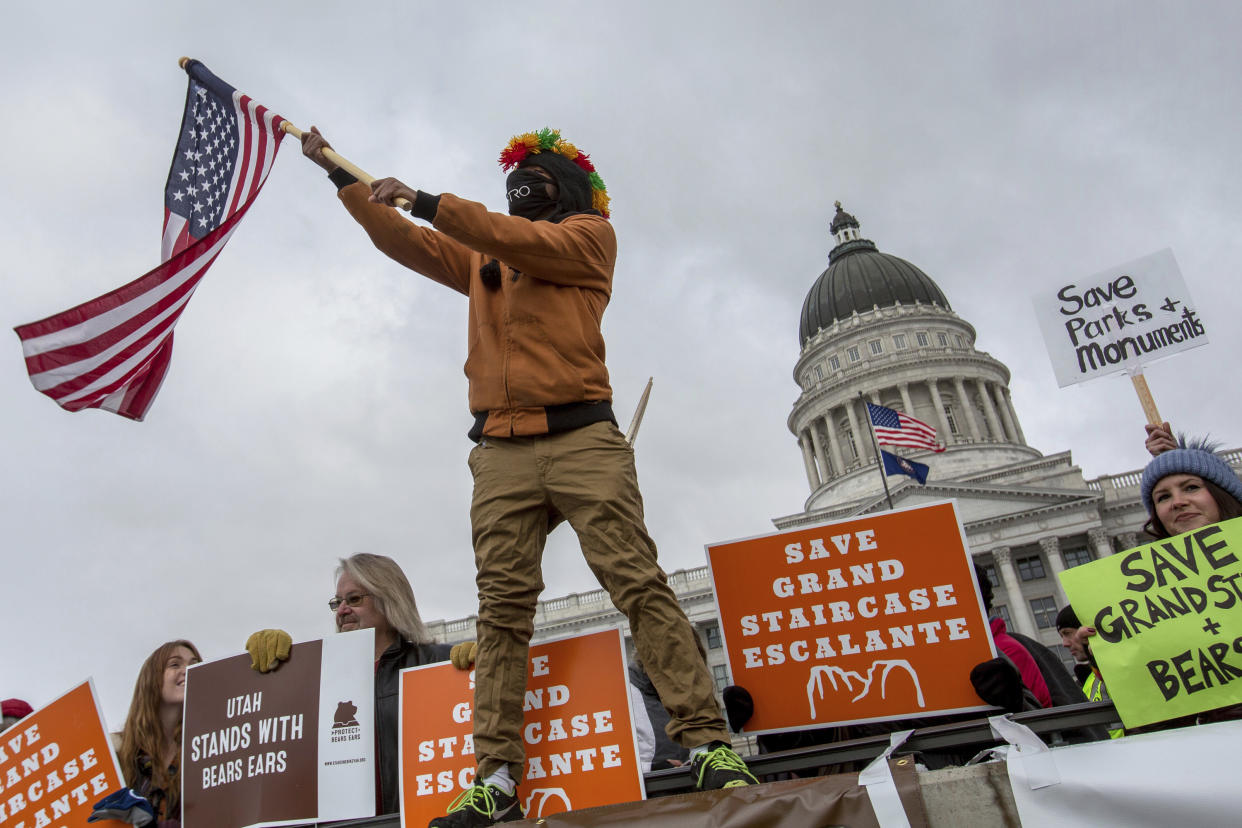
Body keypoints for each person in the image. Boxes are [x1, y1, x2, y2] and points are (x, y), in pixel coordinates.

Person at [300, 126, 755, 827]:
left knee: (636, 583)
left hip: (582, 436)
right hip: (501, 448)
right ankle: (496, 777)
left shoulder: (590, 238)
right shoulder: (487, 255)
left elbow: (521, 241)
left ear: (568, 189)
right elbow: (407, 243)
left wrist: (427, 199)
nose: (523, 188)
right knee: (502, 615)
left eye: (536, 178)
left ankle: (707, 743)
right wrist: (344, 180)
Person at [247, 553, 456, 816]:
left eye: (354, 599)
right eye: (337, 602)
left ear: (388, 598)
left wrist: (480, 669)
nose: (342, 610)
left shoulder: (437, 662)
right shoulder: (322, 677)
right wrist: (275, 672)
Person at [114, 640, 202, 825]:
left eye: (195, 665)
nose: (188, 670)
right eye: (175, 664)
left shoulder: (209, 748)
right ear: (152, 679)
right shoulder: (118, 751)